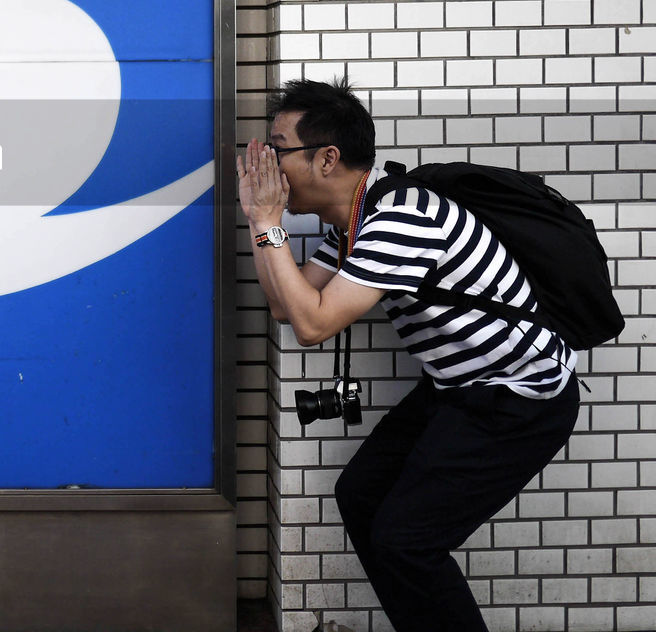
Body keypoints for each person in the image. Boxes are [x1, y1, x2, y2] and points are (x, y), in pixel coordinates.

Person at [237, 77, 579, 632]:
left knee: (406, 542)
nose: (267, 167)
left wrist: (270, 224)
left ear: (327, 158)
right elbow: (287, 303)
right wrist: (261, 224)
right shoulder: (356, 220)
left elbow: (312, 324)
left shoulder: (402, 216)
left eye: (277, 151)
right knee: (362, 495)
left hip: (518, 398)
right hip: (459, 390)